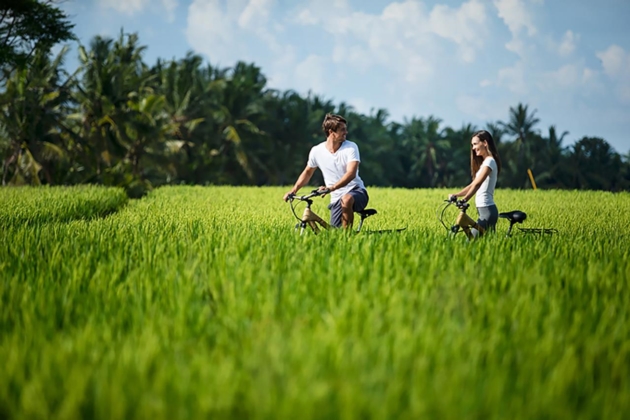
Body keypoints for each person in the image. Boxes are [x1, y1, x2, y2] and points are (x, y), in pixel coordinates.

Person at [283, 113, 369, 229]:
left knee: (347, 199)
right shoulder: (316, 151)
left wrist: (330, 188)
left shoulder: (351, 147)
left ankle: (347, 238)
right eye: (342, 130)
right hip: (336, 198)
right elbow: (308, 172)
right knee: (333, 233)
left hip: (357, 191)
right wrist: (293, 191)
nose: (346, 132)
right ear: (331, 132)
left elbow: (351, 173)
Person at [448, 130, 502, 234]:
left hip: (487, 211)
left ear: (485, 143)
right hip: (484, 211)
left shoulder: (490, 161)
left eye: (475, 144)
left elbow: (477, 184)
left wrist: (464, 200)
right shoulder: (485, 163)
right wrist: (457, 195)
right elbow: (473, 184)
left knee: (471, 243)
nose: (473, 148)